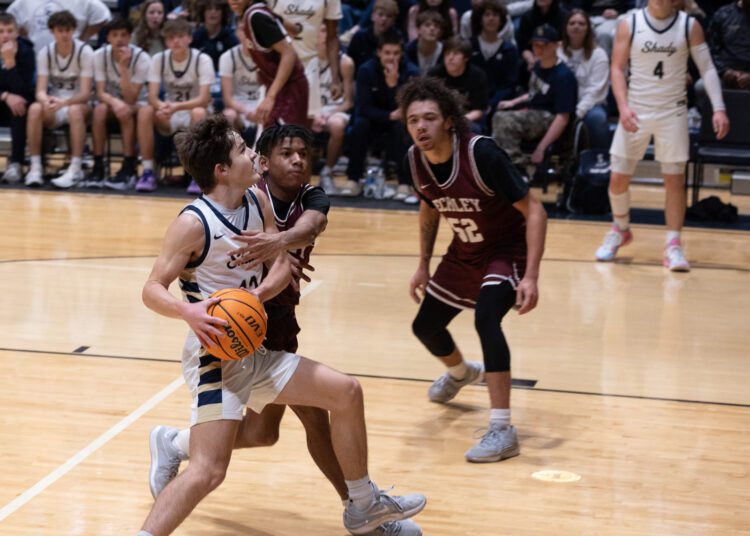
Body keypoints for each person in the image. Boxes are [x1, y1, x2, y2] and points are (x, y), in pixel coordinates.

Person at [136, 115, 426, 536]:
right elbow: (151, 289)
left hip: (254, 348)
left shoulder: (258, 200)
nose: (252, 154)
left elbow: (282, 264)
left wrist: (255, 297)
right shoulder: (192, 223)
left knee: (346, 392)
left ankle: (364, 506)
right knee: (208, 471)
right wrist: (189, 312)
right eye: (242, 150)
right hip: (215, 356)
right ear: (222, 169)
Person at [398, 76, 547, 462]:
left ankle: (502, 429)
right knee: (425, 326)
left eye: (429, 118)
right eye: (413, 120)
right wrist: (423, 265)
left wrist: (531, 276)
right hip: (465, 250)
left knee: (486, 319)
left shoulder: (481, 154)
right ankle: (462, 373)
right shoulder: (415, 160)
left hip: (506, 249)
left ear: (449, 120)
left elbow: (535, 210)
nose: (420, 127)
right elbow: (430, 206)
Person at [596, 0, 730, 271]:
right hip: (636, 109)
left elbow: (707, 69)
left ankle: (673, 244)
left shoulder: (689, 26)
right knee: (617, 177)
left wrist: (719, 108)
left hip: (673, 111)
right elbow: (617, 68)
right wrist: (622, 107)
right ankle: (620, 229)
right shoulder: (629, 23)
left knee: (674, 180)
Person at [138, 18, 215, 194]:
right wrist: (162, 107)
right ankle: (148, 171)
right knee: (145, 111)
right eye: (171, 37)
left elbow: (204, 99)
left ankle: (198, 175)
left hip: (195, 112)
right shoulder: (159, 59)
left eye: (180, 36)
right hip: (170, 112)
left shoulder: (202, 59)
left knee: (198, 112)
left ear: (189, 38)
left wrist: (174, 107)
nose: (176, 41)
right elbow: (152, 96)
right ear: (166, 41)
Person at [343, 29, 419, 200]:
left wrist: (393, 86)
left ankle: (404, 183)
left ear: (402, 53)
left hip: (398, 123)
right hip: (374, 120)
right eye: (387, 53)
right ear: (379, 52)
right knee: (359, 125)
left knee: (401, 128)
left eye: (396, 53)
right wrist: (389, 115)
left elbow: (410, 108)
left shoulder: (412, 72)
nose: (391, 57)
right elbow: (363, 108)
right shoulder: (366, 70)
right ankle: (353, 179)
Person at [24, 10, 94, 188]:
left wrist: (64, 103)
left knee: (75, 111)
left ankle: (75, 168)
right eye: (60, 30)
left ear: (74, 30)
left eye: (68, 30)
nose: (64, 35)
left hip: (79, 105)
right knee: (34, 108)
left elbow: (85, 94)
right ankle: (36, 167)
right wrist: (45, 101)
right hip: (55, 105)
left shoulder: (85, 52)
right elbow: (40, 91)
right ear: (52, 31)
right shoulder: (45, 53)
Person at [491, 24, 577, 169]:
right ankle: (503, 161)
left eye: (544, 45)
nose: (539, 49)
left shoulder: (564, 76)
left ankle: (515, 164)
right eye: (536, 45)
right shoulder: (538, 66)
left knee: (504, 120)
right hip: (533, 112)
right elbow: (533, 93)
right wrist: (513, 102)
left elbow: (563, 118)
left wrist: (541, 148)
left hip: (549, 117)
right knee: (497, 112)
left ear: (556, 46)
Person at [89, 17, 152, 190]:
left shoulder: (142, 58)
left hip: (138, 103)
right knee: (99, 110)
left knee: (125, 110)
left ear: (130, 37)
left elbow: (131, 99)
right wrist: (115, 102)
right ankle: (98, 165)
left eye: (124, 35)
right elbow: (101, 92)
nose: (119, 39)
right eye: (115, 35)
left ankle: (129, 166)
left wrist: (124, 68)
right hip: (112, 102)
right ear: (108, 37)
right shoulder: (99, 56)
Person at [231, 0, 309, 127]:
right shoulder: (261, 10)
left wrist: (270, 97)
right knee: (274, 137)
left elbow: (289, 53)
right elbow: (294, 30)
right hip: (280, 87)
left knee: (287, 138)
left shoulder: (256, 17)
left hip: (289, 88)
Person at [268, 0, 343, 122]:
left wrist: (335, 78)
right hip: (278, 64)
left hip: (309, 63)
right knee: (273, 123)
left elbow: (332, 37)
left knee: (303, 125)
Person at [558, 9, 610, 149]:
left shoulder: (599, 55)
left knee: (597, 119)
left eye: (581, 24)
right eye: (572, 23)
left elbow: (596, 90)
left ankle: (599, 159)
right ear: (565, 27)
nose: (576, 26)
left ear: (588, 29)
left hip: (592, 105)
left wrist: (578, 111)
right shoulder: (557, 51)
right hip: (561, 104)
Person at [314, 25, 355, 195]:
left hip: (335, 110)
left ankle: (327, 171)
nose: (326, 36)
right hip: (311, 110)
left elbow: (348, 102)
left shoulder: (345, 62)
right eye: (323, 31)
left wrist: (326, 114)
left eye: (331, 33)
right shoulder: (306, 59)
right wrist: (314, 114)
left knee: (337, 126)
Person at [428, 36, 489, 134]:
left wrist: (458, 121)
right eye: (447, 53)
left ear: (466, 58)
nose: (450, 58)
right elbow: (429, 104)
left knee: (473, 129)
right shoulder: (434, 75)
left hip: (468, 118)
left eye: (455, 54)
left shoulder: (478, 76)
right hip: (441, 118)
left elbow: (479, 110)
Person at [0, 12, 35, 185]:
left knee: (19, 106)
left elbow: (24, 90)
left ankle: (16, 163)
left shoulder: (26, 51)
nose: (5, 35)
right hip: (3, 99)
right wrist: (5, 96)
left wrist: (10, 63)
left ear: (17, 33)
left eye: (9, 31)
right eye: (1, 31)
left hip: (20, 102)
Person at [469, 0, 519, 117]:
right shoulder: (469, 46)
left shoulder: (509, 50)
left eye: (495, 15)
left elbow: (510, 84)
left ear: (501, 21)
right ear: (480, 19)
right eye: (487, 15)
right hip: (471, 103)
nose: (491, 18)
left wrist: (492, 103)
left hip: (498, 105)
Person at [6, 0, 111, 52]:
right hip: (36, 59)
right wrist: (25, 39)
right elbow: (8, 19)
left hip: (73, 58)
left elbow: (103, 17)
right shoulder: (24, 2)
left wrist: (83, 38)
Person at [219, 26, 262, 143]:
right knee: (228, 115)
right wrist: (246, 111)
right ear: (237, 33)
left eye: (251, 29)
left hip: (261, 105)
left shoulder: (268, 56)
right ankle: (231, 152)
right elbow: (227, 99)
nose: (248, 34)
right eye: (243, 30)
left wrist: (259, 111)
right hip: (239, 107)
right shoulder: (228, 57)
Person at [346, 0, 400, 73]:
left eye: (389, 16)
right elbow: (350, 62)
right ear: (372, 16)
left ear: (394, 21)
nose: (384, 19)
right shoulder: (359, 37)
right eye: (380, 15)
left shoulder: (397, 38)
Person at [708, 0, 750, 90]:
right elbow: (711, 49)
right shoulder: (723, 14)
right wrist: (723, 71)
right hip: (728, 73)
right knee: (701, 87)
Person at [190, 0, 238, 71]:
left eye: (217, 9)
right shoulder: (195, 37)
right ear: (203, 12)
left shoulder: (231, 37)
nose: (213, 12)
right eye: (209, 9)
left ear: (223, 13)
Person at [404, 10, 445, 75]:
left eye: (436, 26)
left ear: (440, 32)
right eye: (427, 25)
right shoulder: (407, 50)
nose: (432, 28)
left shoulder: (446, 51)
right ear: (418, 30)